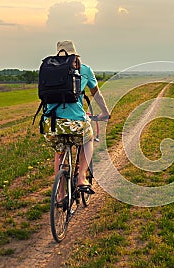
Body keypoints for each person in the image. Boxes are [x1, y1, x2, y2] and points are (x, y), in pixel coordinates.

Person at [42, 40, 110, 195]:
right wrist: (105, 112)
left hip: (51, 124)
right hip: (75, 122)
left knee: (59, 153)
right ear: (75, 54)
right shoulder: (84, 70)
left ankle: (59, 195)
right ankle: (81, 177)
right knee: (88, 139)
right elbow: (96, 94)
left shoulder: (49, 71)